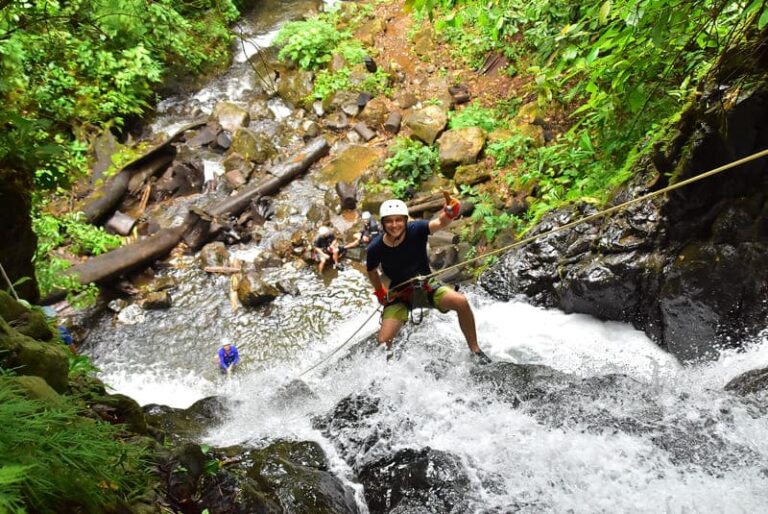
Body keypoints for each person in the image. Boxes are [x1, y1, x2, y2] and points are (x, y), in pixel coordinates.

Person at [366, 193, 491, 364]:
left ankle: (475, 350)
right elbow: (372, 271)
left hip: (426, 283)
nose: (394, 225)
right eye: (389, 221)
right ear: (382, 223)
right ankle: (388, 369)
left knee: (461, 302)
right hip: (400, 293)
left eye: (398, 220)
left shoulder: (416, 229)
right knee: (383, 340)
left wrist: (449, 214)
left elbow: (439, 223)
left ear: (405, 220)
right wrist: (380, 291)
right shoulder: (375, 247)